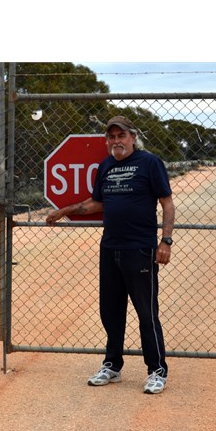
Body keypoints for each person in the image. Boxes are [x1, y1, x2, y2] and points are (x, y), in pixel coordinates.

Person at [46, 116, 175, 394]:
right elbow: (96, 202)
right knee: (111, 311)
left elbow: (167, 202)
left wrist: (165, 241)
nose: (116, 141)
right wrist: (64, 210)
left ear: (132, 137)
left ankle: (157, 370)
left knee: (146, 313)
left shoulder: (149, 163)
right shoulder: (106, 166)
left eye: (121, 136)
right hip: (110, 248)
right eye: (112, 137)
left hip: (140, 249)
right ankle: (112, 365)